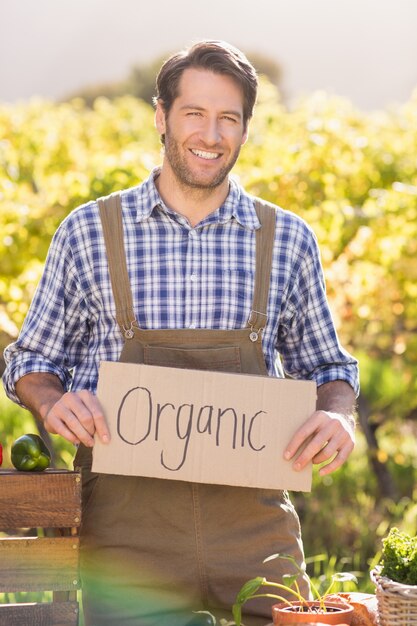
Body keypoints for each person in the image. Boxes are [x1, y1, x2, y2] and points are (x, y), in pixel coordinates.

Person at [3, 40, 359, 626]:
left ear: (245, 130)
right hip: (126, 542)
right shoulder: (89, 233)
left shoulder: (287, 239)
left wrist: (338, 413)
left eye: (229, 118)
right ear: (161, 116)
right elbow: (31, 363)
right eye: (194, 113)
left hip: (257, 536)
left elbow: (330, 370)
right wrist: (52, 402)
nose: (211, 134)